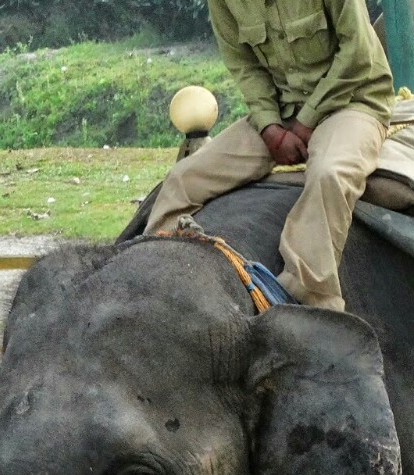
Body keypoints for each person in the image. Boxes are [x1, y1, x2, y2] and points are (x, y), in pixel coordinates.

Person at [148, 0, 397, 311]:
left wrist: (306, 121)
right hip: (280, 111)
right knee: (181, 180)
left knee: (329, 175)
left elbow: (357, 54)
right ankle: (153, 283)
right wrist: (269, 128)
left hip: (353, 101)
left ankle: (308, 301)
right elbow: (245, 66)